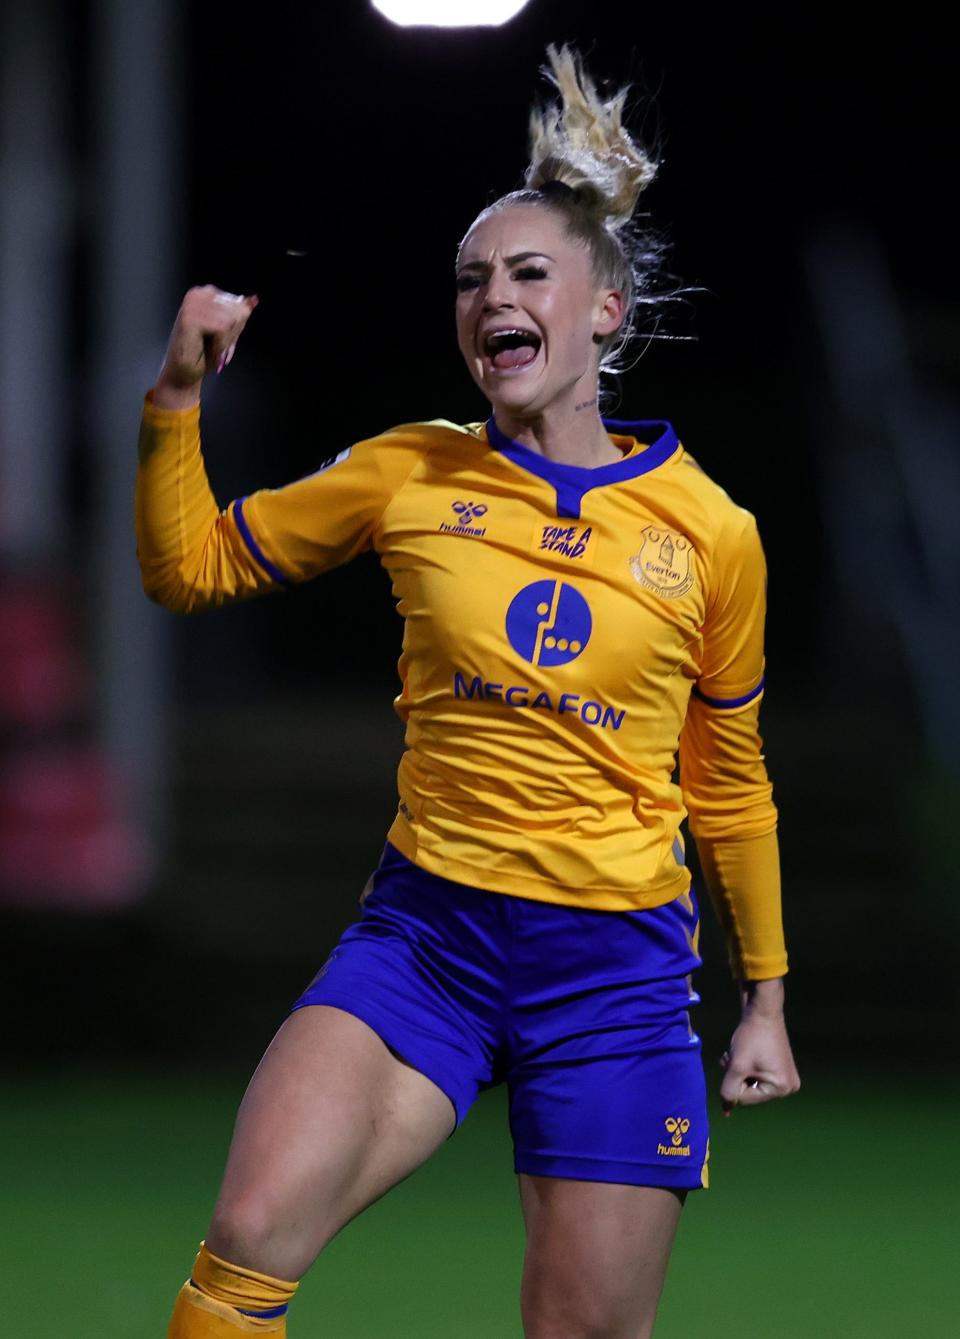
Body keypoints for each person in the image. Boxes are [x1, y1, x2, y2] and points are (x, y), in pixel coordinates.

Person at [137, 44, 800, 1339]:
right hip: (428, 941)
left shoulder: (713, 533)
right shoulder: (409, 472)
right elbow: (188, 568)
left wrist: (765, 997)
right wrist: (174, 398)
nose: (489, 296)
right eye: (469, 279)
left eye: (526, 273)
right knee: (245, 1241)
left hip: (613, 975)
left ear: (604, 309)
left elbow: (731, 776)